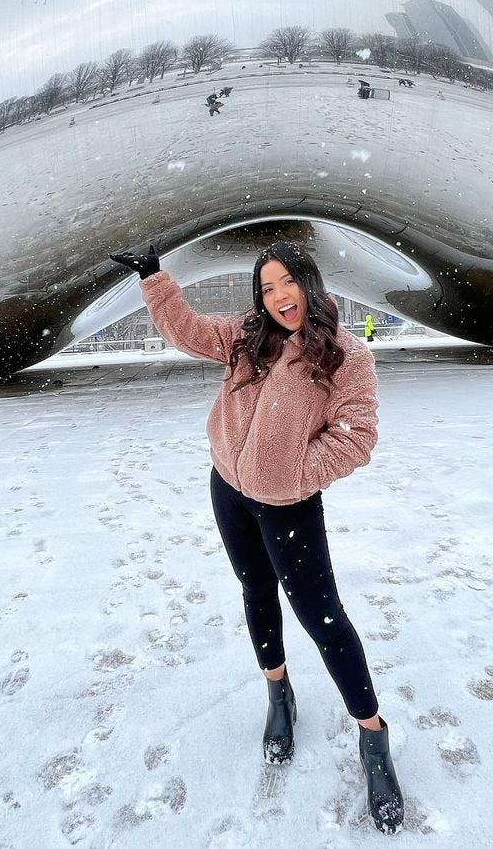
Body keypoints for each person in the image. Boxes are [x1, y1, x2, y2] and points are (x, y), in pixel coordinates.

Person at [109, 240, 404, 835]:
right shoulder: (248, 338)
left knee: (323, 618)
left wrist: (292, 474)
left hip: (289, 504)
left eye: (287, 282)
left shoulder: (345, 356)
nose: (279, 297)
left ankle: (373, 736)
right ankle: (279, 694)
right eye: (267, 288)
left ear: (308, 283)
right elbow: (188, 330)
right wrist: (154, 279)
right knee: (255, 591)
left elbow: (357, 437)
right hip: (229, 490)